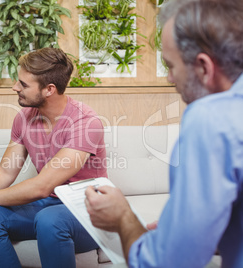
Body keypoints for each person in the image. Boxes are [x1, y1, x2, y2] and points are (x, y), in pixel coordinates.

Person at [85, 0, 243, 267]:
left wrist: (123, 217)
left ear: (204, 67)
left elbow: (165, 262)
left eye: (170, 66)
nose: (170, 79)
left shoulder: (212, 120)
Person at [0, 47, 108, 267]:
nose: (15, 87)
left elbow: (41, 186)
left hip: (89, 211)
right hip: (49, 206)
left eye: (24, 84)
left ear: (49, 89)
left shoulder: (85, 123)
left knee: (50, 220)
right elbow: (4, 172)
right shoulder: (24, 118)